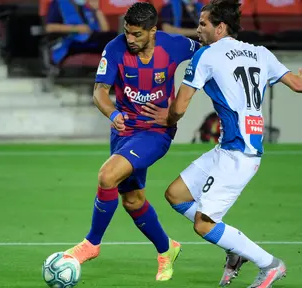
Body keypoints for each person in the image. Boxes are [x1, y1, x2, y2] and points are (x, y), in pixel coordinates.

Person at [142, 0, 302, 287]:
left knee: (203, 224)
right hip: (231, 148)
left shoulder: (207, 55)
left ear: (220, 27)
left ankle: (270, 264)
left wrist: (167, 117)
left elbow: (181, 106)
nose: (198, 29)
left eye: (203, 24)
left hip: (238, 155)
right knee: (176, 194)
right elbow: (299, 85)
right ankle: (234, 250)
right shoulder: (260, 53)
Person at [64, 2, 201, 281]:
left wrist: (177, 110)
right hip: (123, 132)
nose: (130, 39)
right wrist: (112, 113)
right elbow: (99, 93)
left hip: (156, 132)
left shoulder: (174, 45)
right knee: (133, 200)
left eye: (137, 34)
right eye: (127, 32)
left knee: (107, 175)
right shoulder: (114, 48)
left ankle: (91, 244)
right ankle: (167, 249)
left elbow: (210, 57)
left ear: (153, 31)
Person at [46, 0, 117, 64]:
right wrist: (76, 28)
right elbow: (49, 28)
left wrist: (97, 9)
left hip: (89, 40)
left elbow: (105, 30)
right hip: (70, 43)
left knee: (113, 37)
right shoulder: (59, 3)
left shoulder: (86, 7)